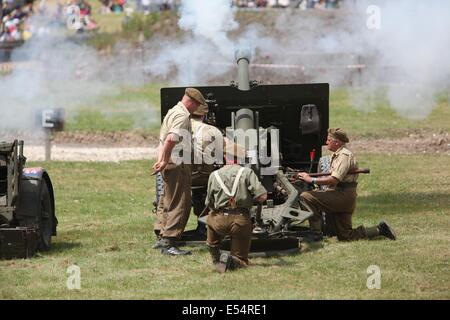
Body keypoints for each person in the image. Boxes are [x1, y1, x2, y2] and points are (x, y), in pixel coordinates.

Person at [298, 128, 396, 241]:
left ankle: (315, 233)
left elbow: (334, 180)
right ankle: (380, 229)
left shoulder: (344, 156)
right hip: (343, 196)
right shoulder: (337, 155)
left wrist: (311, 180)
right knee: (346, 236)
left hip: (342, 195)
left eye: (328, 140)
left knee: (306, 197)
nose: (326, 142)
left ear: (337, 142)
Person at [152, 87, 205, 256]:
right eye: (197, 104)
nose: (197, 108)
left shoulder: (172, 111)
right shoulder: (182, 116)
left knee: (167, 199)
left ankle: (162, 237)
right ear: (191, 102)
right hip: (177, 162)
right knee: (180, 202)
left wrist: (161, 161)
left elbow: (162, 140)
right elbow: (170, 139)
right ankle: (170, 242)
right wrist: (166, 160)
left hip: (169, 162)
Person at [205, 153, 268, 273]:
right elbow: (262, 196)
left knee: (210, 219)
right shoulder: (247, 172)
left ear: (224, 157)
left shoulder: (214, 175)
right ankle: (231, 260)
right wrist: (249, 201)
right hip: (240, 220)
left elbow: (209, 202)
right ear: (239, 158)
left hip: (218, 221)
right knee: (242, 261)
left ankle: (216, 257)